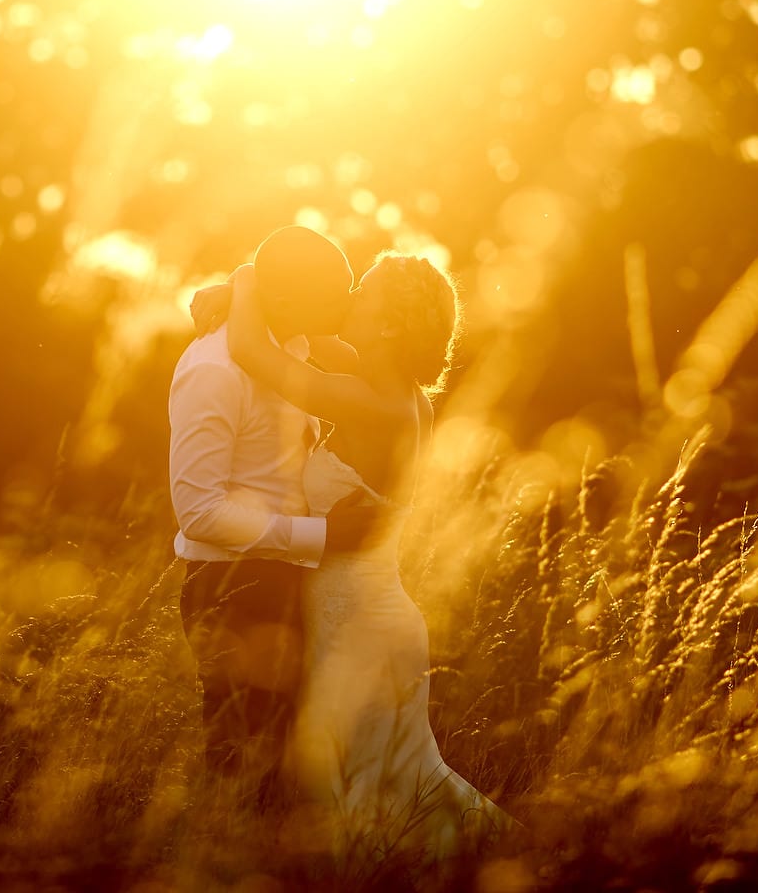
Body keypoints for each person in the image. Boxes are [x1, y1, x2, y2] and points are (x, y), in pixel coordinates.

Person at [193, 249, 520, 863]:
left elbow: (254, 355)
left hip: (359, 625)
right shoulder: (387, 387)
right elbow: (308, 334)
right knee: (382, 790)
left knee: (366, 801)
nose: (348, 302)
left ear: (391, 324)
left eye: (362, 293)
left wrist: (244, 278)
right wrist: (245, 297)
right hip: (358, 615)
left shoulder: (379, 403)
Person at [168, 226, 380, 821]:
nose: (349, 301)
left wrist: (240, 279)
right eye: (335, 291)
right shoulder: (214, 370)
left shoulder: (294, 347)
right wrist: (321, 538)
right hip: (232, 590)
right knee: (245, 770)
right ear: (287, 298)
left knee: (291, 770)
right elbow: (199, 511)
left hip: (289, 580)